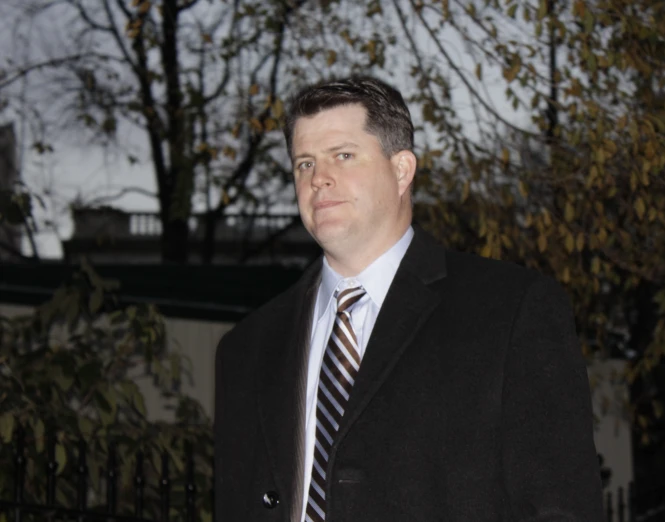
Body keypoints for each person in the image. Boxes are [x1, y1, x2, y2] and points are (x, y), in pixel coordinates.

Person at [214, 76, 604, 522]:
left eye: (343, 155)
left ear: (401, 170)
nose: (319, 178)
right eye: (304, 164)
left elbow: (562, 508)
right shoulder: (246, 348)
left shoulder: (510, 311)